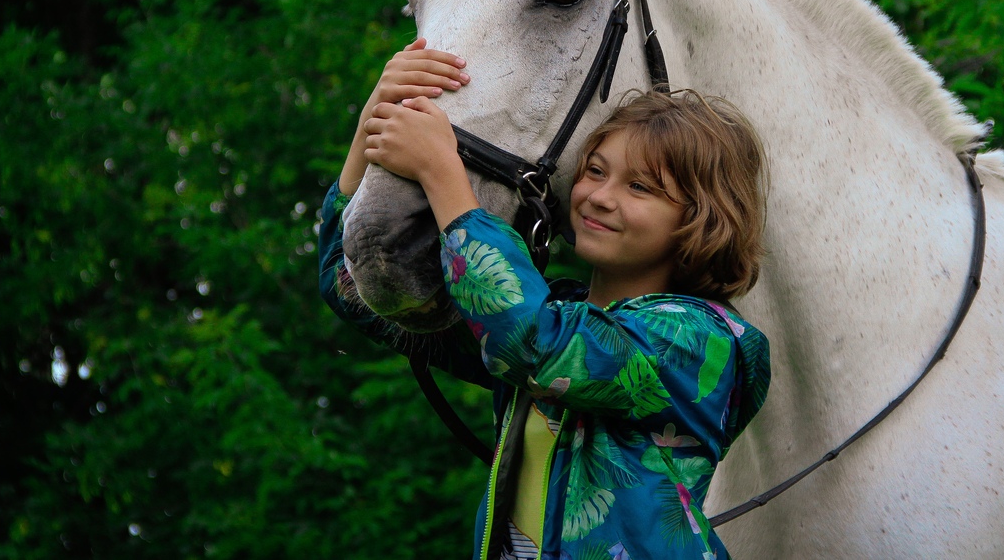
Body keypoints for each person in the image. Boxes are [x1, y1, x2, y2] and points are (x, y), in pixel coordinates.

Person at [318, 39, 771, 560]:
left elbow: (535, 341)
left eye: (641, 188)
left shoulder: (698, 340)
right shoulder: (548, 318)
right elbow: (356, 292)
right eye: (596, 171)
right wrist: (371, 126)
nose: (600, 195)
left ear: (701, 218)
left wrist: (444, 174)